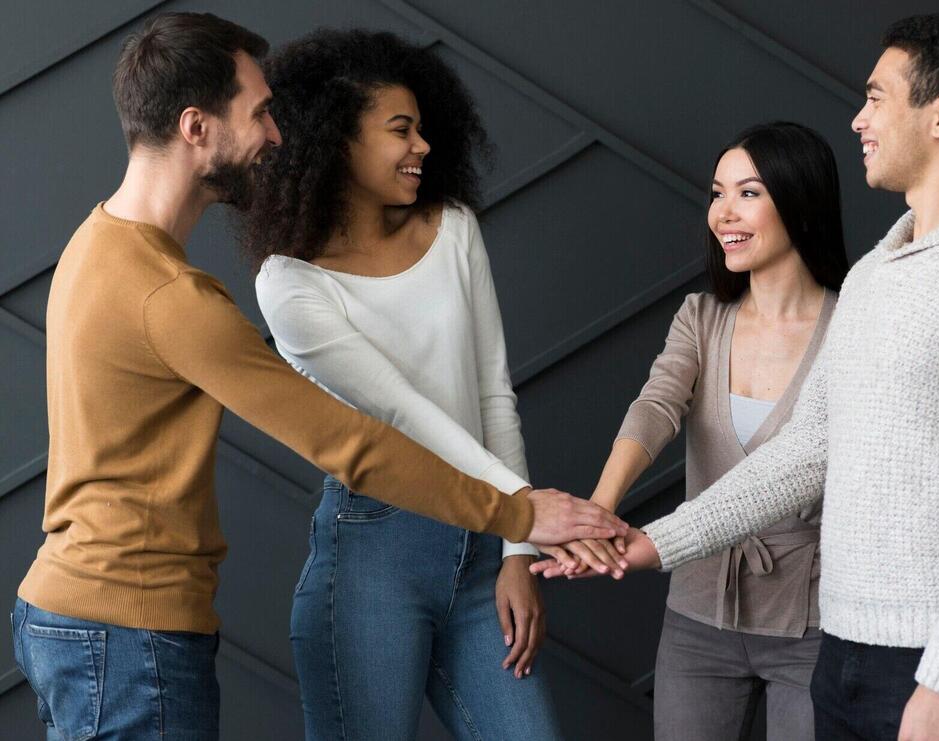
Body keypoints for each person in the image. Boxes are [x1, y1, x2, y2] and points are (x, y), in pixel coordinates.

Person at [9, 13, 623, 741]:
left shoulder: (95, 244)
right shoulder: (172, 298)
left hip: (82, 622)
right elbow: (351, 442)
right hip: (126, 629)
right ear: (196, 126)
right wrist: (524, 515)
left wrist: (511, 545)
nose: (276, 134)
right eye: (260, 112)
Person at [536, 12, 939, 741]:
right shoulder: (874, 276)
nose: (858, 120)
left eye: (876, 98)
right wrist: (656, 542)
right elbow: (809, 449)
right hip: (844, 649)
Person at [245, 29, 562, 740]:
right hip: (371, 558)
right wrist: (523, 508)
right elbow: (400, 411)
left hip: (484, 552)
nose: (421, 145)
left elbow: (492, 397)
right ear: (336, 141)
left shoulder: (453, 229)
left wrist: (517, 549)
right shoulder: (291, 284)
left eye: (422, 127)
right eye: (399, 129)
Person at [545, 122, 846, 740]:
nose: (723, 212)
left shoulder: (854, 327)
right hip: (697, 615)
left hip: (813, 622)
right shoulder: (701, 317)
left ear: (800, 200)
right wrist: (598, 514)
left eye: (749, 193)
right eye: (717, 192)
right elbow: (655, 407)